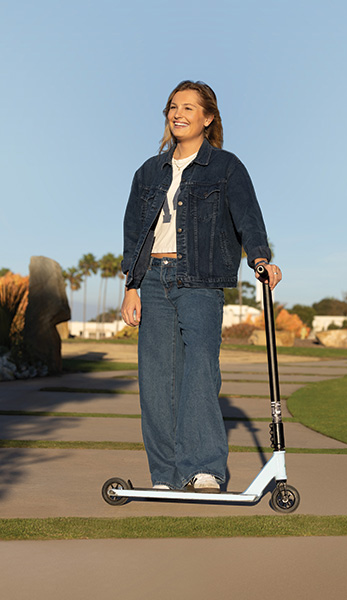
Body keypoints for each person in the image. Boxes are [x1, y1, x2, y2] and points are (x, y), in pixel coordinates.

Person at [119, 80, 282, 492]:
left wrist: (260, 258)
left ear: (207, 118)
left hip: (201, 279)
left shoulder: (226, 167)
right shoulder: (148, 171)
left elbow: (247, 216)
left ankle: (205, 468)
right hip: (154, 279)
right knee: (156, 380)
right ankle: (165, 475)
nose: (178, 114)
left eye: (189, 108)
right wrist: (131, 285)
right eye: (173, 107)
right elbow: (134, 231)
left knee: (200, 371)